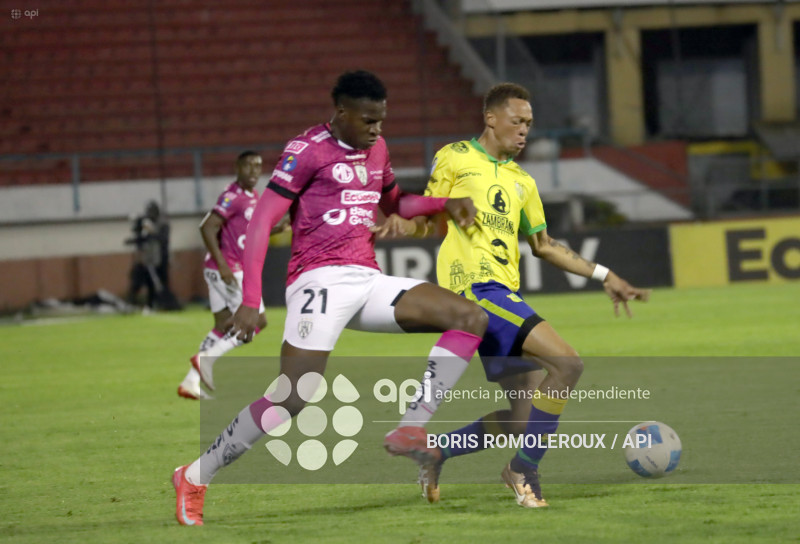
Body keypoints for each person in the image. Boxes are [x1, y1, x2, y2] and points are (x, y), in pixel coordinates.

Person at [171, 70, 489, 526]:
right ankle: (194, 475)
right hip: (317, 280)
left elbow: (395, 202)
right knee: (293, 396)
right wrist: (250, 298)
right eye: (368, 120)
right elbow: (262, 222)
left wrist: (443, 204)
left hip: (365, 277)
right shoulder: (306, 151)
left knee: (468, 316)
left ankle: (411, 425)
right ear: (341, 113)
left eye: (381, 120)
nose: (377, 130)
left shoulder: (376, 148)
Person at [381, 82, 650, 508]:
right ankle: (523, 471)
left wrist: (605, 273)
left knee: (522, 419)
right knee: (567, 364)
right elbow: (430, 215)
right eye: (517, 121)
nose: (524, 132)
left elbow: (544, 245)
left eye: (529, 124)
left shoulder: (522, 181)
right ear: (491, 118)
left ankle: (436, 453)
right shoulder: (455, 157)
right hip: (474, 292)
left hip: (501, 295)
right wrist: (404, 224)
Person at [177, 150, 284, 400]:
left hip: (224, 269)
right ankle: (206, 361)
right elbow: (207, 227)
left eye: (258, 166)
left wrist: (280, 226)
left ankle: (190, 382)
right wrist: (223, 264)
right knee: (257, 322)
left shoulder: (253, 196)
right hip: (227, 269)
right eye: (248, 166)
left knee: (220, 326)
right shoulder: (232, 196)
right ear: (237, 167)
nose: (254, 171)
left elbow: (251, 233)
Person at [125, 200, 180, 311]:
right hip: (151, 259)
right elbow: (144, 238)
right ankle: (149, 303)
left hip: (161, 258)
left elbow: (162, 239)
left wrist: (152, 231)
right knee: (147, 281)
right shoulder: (148, 224)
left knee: (162, 282)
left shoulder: (162, 224)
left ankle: (165, 303)